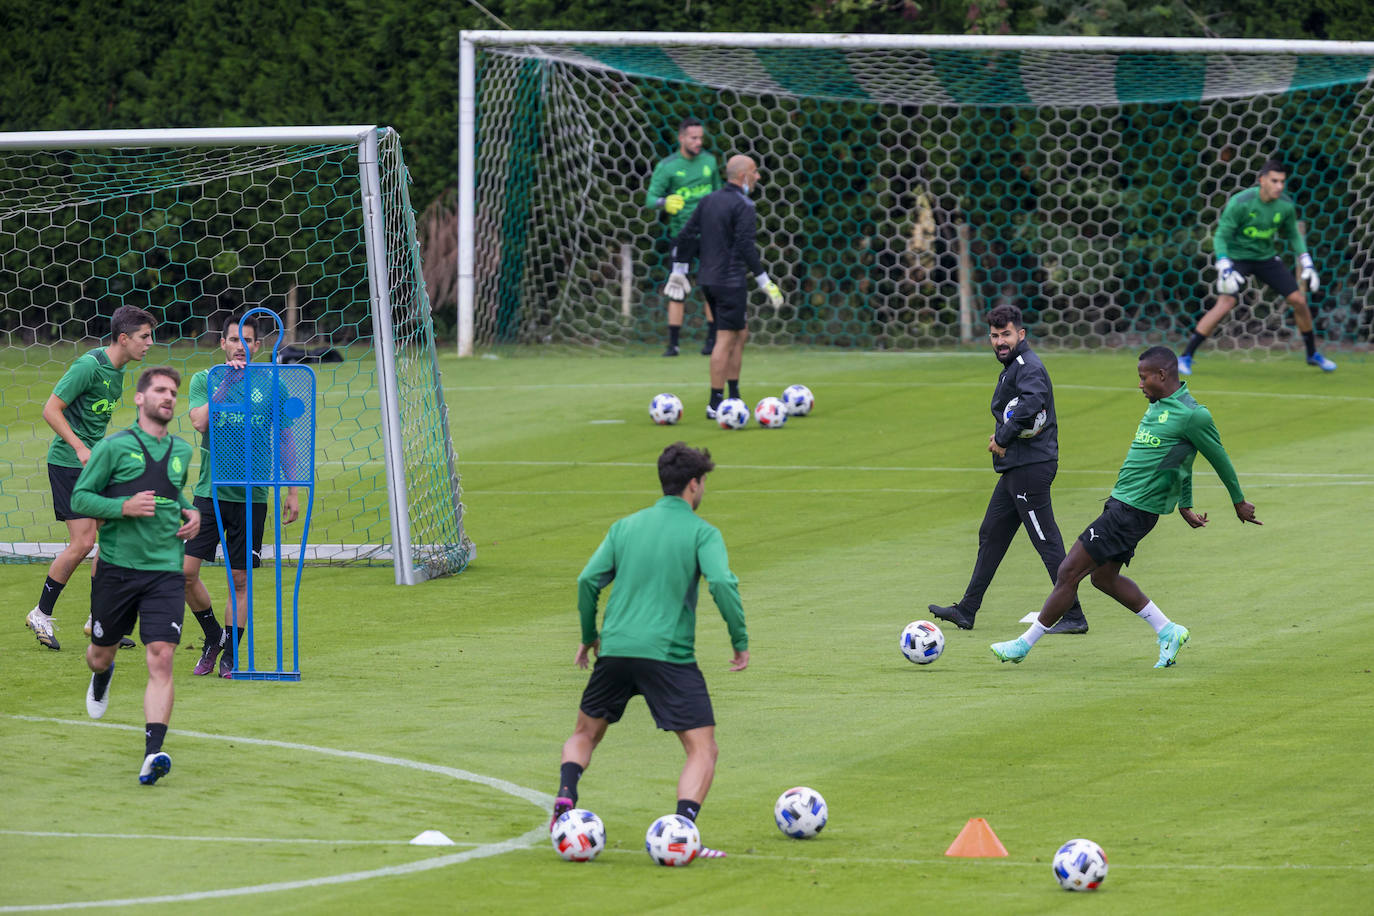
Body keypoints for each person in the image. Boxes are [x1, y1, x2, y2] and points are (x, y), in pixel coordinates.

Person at [990, 347, 1260, 668]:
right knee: (1103, 578)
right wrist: (1185, 505)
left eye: (1143, 377)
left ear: (1162, 375)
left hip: (1132, 511)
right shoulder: (1158, 407)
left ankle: (1023, 645)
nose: (1140, 384)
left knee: (1068, 572)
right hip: (1122, 504)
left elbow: (1219, 458)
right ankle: (1167, 630)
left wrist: (1238, 501)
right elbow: (1182, 462)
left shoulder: (1193, 415)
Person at [551, 442, 748, 859]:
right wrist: (739, 640)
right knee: (702, 747)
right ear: (694, 485)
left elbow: (588, 580)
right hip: (669, 656)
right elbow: (723, 584)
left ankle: (567, 795)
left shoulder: (625, 527)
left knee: (585, 733)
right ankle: (682, 831)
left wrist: (589, 635)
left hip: (616, 650)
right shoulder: (701, 532)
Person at [72, 366, 199, 785]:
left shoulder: (181, 451)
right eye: (160, 390)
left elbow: (171, 491)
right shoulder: (113, 447)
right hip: (117, 571)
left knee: (162, 655)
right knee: (99, 654)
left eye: (173, 392)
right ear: (140, 399)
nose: (169, 397)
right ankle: (102, 673)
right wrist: (122, 507)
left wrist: (189, 510)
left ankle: (153, 753)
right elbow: (81, 497)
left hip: (165, 570)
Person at [928, 304, 1089, 635]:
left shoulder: (1027, 366)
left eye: (1006, 335)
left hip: (1030, 468)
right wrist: (1005, 437)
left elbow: (1032, 403)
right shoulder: (1014, 365)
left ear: (1021, 334)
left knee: (1046, 540)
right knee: (992, 533)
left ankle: (1074, 615)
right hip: (1017, 467)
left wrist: (1002, 437)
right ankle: (967, 610)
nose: (1000, 341)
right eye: (994, 335)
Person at [27, 305, 156, 651]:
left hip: (92, 465)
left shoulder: (118, 371)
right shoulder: (89, 366)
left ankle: (99, 618)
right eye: (144, 337)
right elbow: (50, 409)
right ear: (124, 337)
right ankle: (40, 613)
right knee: (84, 542)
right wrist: (81, 448)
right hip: (69, 463)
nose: (150, 343)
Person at [183, 315, 299, 678]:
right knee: (183, 573)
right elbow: (200, 422)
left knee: (240, 581)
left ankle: (230, 655)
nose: (240, 346)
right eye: (233, 339)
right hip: (209, 493)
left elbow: (285, 438)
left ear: (258, 346)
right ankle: (213, 635)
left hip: (252, 496)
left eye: (247, 340)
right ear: (222, 343)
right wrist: (226, 383)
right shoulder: (206, 380)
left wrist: (292, 490)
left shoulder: (271, 385)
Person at [1180, 158, 1336, 375]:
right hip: (1236, 258)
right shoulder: (1241, 202)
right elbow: (1221, 236)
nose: (1279, 186)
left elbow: (1292, 233)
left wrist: (1306, 260)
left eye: (1282, 182)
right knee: (1226, 303)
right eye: (1274, 181)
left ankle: (1312, 354)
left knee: (1298, 300)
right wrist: (1224, 263)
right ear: (1262, 180)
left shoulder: (1285, 205)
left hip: (1266, 258)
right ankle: (1185, 356)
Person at [668, 155, 783, 419]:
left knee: (740, 334)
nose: (758, 177)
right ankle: (715, 403)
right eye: (755, 172)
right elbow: (745, 245)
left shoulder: (708, 200)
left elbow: (686, 234)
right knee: (726, 338)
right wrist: (764, 281)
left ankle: (733, 396)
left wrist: (679, 269)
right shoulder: (744, 205)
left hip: (708, 278)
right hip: (730, 281)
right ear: (743, 176)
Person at [646, 117, 722, 357]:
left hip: (710, 234)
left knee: (710, 286)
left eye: (701, 137)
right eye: (693, 138)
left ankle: (712, 341)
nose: (699, 142)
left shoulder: (709, 161)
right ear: (681, 138)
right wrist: (664, 202)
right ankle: (673, 344)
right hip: (682, 235)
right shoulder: (668, 166)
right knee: (677, 286)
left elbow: (719, 193)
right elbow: (650, 199)